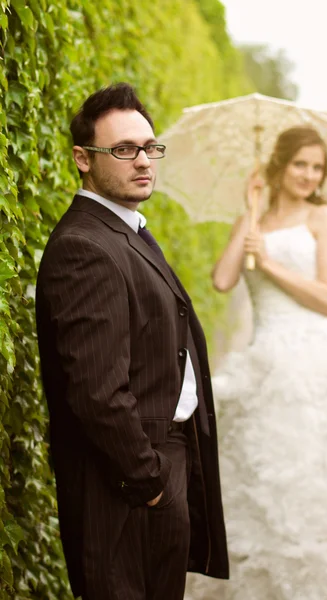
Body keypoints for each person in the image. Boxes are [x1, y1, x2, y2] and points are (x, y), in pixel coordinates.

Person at [185, 126, 327, 600]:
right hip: (264, 363)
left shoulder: (324, 217)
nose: (308, 174)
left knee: (317, 473)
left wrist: (272, 263)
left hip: (316, 361)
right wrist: (251, 211)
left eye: (317, 167)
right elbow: (222, 279)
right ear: (279, 164)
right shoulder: (254, 217)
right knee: (263, 477)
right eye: (300, 164)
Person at [35, 82, 228, 600]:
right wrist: (149, 481)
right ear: (83, 158)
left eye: (149, 147)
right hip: (124, 484)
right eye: (123, 149)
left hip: (155, 465)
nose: (143, 161)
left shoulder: (126, 230)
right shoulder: (85, 247)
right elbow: (98, 392)